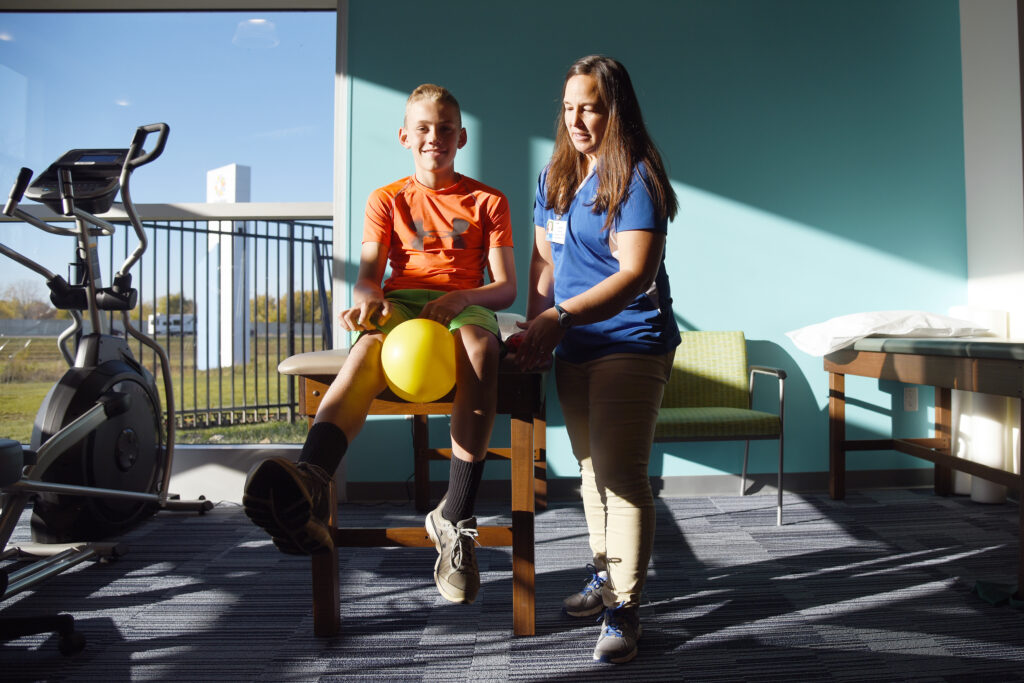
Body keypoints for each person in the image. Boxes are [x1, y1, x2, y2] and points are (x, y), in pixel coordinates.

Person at [243, 84, 516, 606]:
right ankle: (312, 482)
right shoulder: (385, 199)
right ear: (404, 137)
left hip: (464, 301)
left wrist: (460, 299)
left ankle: (455, 514)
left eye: (443, 128)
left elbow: (504, 287)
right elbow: (369, 277)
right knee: (366, 351)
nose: (433, 137)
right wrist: (369, 303)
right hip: (402, 304)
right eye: (422, 128)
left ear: (461, 136)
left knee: (482, 349)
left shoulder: (488, 200)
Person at [513, 55, 680, 664]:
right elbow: (543, 264)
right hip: (573, 346)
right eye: (568, 108)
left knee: (623, 479)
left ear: (617, 110)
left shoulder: (638, 180)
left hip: (629, 343)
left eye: (590, 106)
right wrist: (534, 327)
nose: (577, 120)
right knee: (589, 471)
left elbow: (636, 274)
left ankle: (625, 611)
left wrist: (558, 319)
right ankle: (606, 577)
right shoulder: (556, 176)